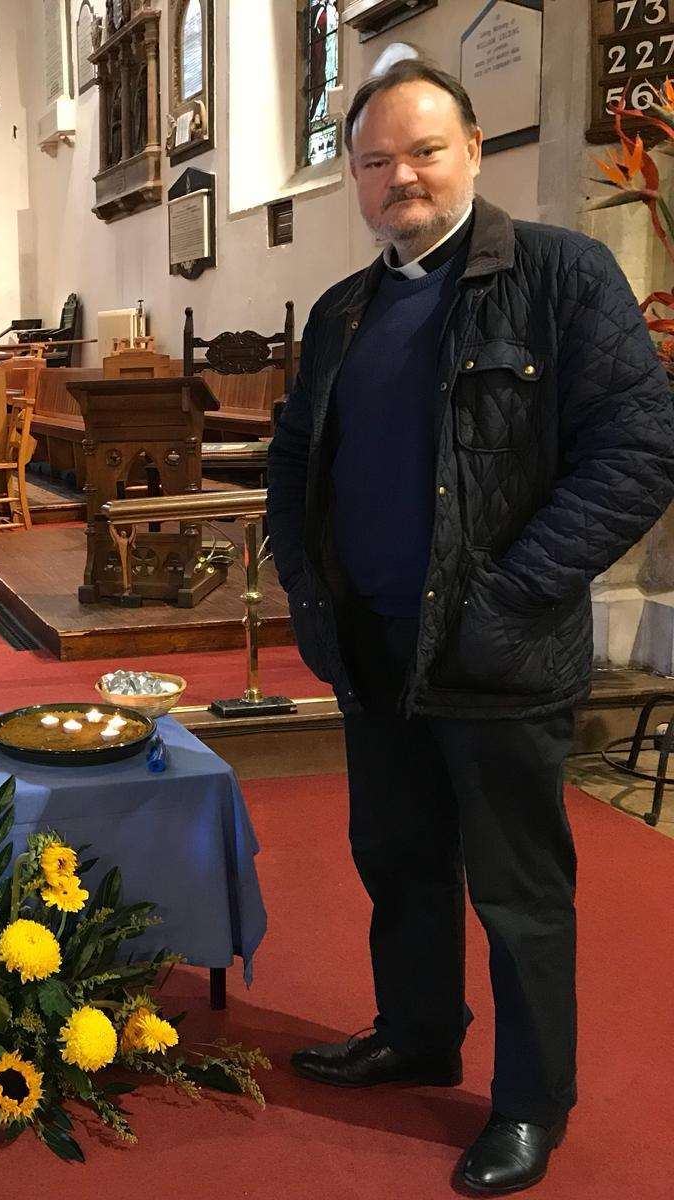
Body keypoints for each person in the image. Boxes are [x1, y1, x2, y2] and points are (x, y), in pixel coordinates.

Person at [266, 59, 674, 1195]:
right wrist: (306, 585)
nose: (401, 177)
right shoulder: (347, 309)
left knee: (516, 890)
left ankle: (531, 1102)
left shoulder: (561, 276)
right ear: (353, 177)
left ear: (472, 149)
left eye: (423, 151)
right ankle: (416, 1033)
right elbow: (298, 454)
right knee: (397, 862)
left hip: (495, 652)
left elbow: (638, 452)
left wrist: (510, 593)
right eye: (376, 161)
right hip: (372, 647)